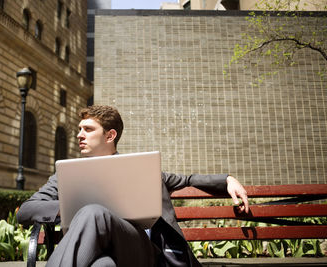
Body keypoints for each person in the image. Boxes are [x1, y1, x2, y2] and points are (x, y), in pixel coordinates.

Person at [16, 105, 249, 267]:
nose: (79, 135)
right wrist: (69, 207)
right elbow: (27, 210)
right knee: (103, 265)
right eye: (79, 129)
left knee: (94, 212)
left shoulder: (142, 170)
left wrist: (227, 179)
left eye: (87, 129)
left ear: (110, 136)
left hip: (144, 254)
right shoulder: (65, 176)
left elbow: (187, 180)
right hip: (101, 255)